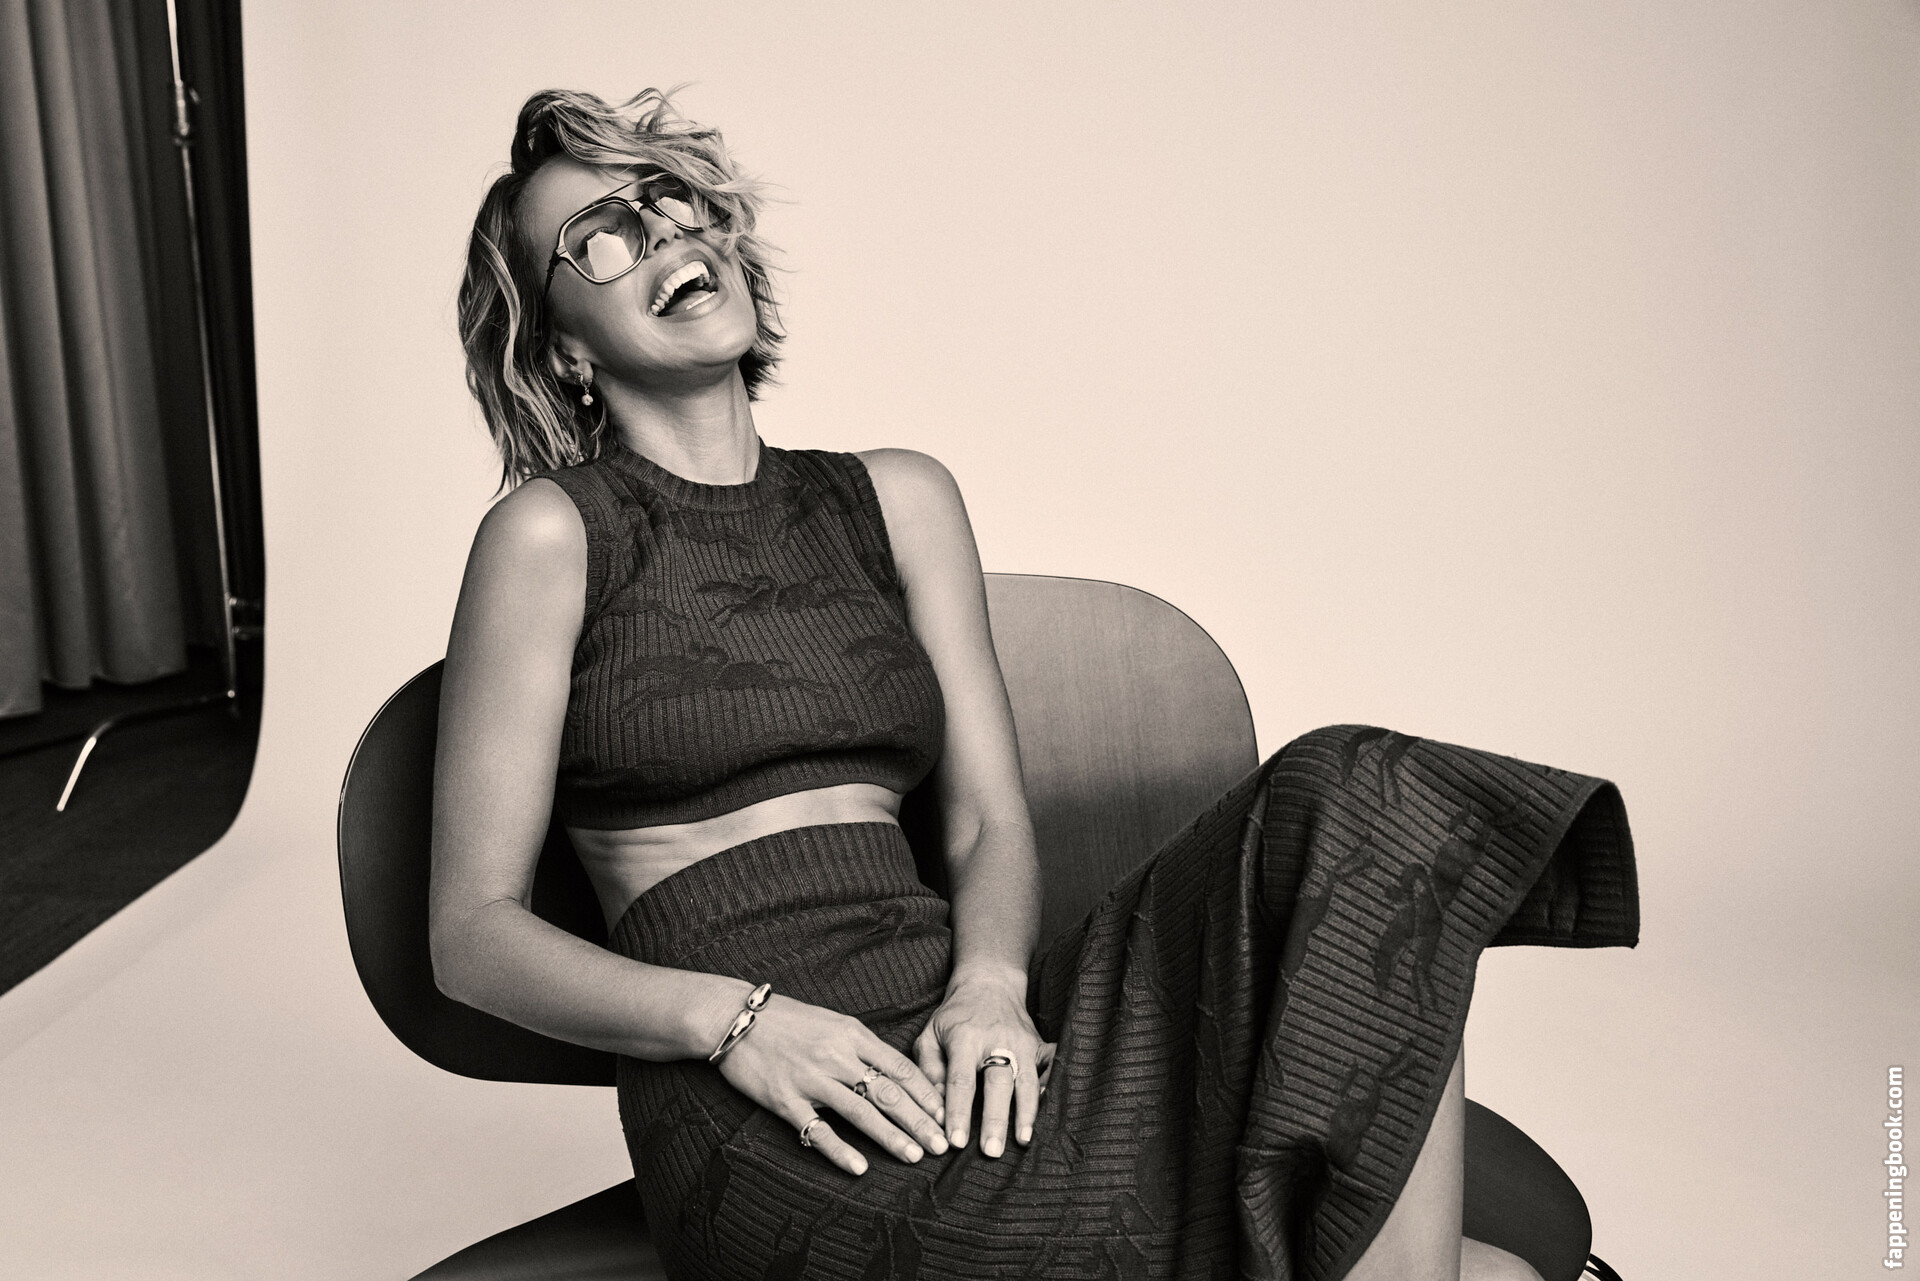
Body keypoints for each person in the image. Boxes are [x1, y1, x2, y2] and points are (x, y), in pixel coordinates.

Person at [431, 88, 1638, 1281]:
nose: (664, 235)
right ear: (562, 345)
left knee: (1363, 791)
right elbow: (473, 935)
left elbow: (985, 822)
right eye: (603, 236)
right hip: (777, 1100)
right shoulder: (551, 535)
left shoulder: (898, 498)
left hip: (967, 1035)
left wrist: (993, 993)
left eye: (673, 200)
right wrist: (734, 1021)